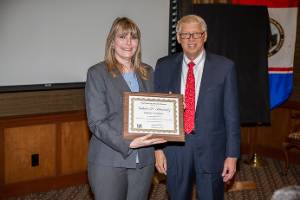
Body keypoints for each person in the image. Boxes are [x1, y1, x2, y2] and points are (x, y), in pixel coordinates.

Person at [154, 15, 240, 200]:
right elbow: (157, 113)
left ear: (205, 36)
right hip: (175, 151)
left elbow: (232, 116)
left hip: (212, 150)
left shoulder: (225, 67)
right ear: (178, 38)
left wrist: (232, 155)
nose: (191, 39)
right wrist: (158, 150)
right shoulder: (163, 66)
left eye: (196, 34)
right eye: (185, 35)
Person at [85, 17, 166, 200]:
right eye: (122, 37)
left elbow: (154, 115)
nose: (128, 43)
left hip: (144, 160)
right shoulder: (97, 73)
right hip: (109, 160)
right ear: (112, 42)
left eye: (133, 37)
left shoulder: (147, 72)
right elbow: (97, 122)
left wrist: (171, 110)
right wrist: (128, 142)